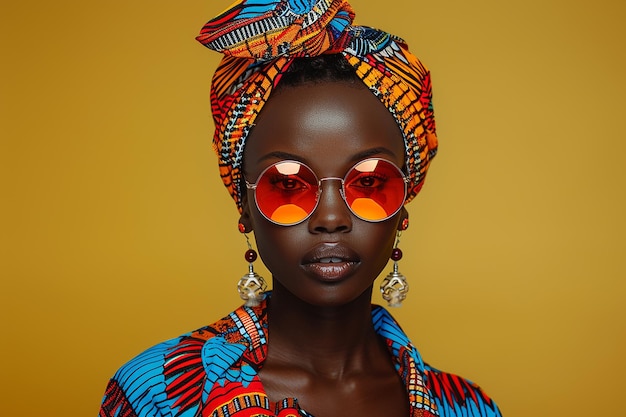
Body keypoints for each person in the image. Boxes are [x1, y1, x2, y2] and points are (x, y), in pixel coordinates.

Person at [99, 1, 502, 416]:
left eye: (368, 182)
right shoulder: (158, 394)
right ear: (246, 209)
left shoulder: (468, 407)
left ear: (403, 207)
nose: (331, 219)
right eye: (288, 185)